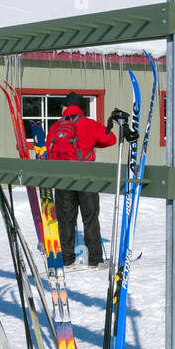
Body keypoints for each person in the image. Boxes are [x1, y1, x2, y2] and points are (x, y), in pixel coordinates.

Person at [45, 92, 118, 270]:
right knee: (90, 217)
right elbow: (110, 139)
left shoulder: (55, 127)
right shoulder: (88, 124)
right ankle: (94, 259)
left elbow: (49, 148)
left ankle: (67, 259)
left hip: (62, 179)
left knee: (66, 219)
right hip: (86, 177)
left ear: (66, 107)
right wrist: (92, 143)